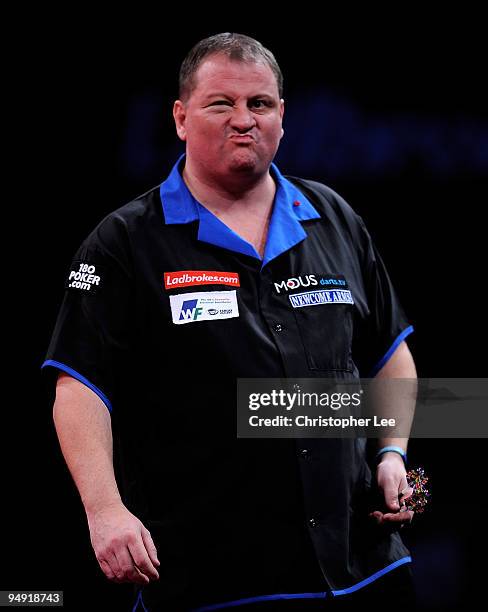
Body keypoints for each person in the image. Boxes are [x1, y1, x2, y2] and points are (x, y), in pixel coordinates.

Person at [43, 33, 418, 611]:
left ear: (282, 117)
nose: (243, 119)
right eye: (221, 103)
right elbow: (79, 387)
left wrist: (391, 453)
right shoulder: (122, 242)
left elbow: (390, 356)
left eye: (259, 104)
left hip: (360, 572)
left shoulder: (336, 219)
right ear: (181, 117)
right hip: (214, 579)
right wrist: (105, 510)